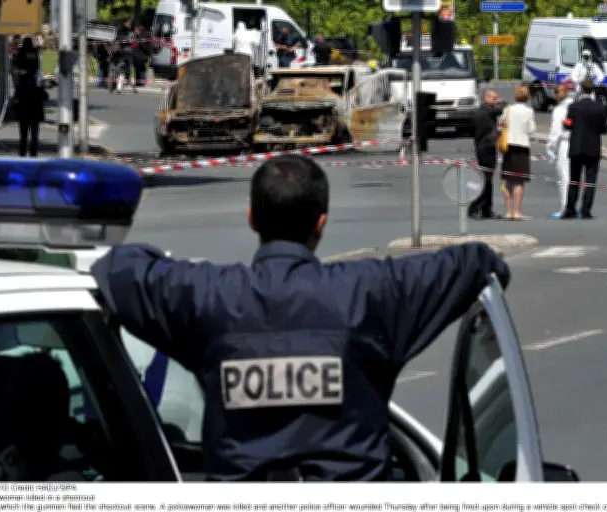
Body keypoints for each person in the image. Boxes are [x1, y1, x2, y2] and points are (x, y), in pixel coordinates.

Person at [91, 154, 510, 482]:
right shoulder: (373, 292)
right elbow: (479, 264)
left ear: (252, 217)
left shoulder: (208, 297)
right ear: (321, 224)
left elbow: (118, 269)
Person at [561, 79, 607, 219]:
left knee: (574, 179)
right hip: (593, 148)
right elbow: (604, 129)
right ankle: (586, 210)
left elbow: (568, 125)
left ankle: (570, 208)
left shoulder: (573, 106)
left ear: (581, 89)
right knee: (590, 180)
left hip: (576, 146)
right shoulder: (599, 108)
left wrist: (566, 123)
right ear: (592, 90)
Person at [498, 85, 535, 221]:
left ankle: (508, 211)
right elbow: (531, 129)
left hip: (509, 146)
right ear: (527, 96)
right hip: (522, 146)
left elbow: (500, 125)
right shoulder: (528, 111)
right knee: (520, 181)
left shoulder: (508, 109)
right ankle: (518, 211)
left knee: (508, 180)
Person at [469, 89, 504, 220]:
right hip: (486, 148)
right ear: (486, 98)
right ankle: (474, 207)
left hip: (483, 147)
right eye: (494, 99)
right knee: (486, 180)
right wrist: (500, 102)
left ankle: (487, 209)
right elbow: (502, 107)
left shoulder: (481, 111)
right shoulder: (486, 111)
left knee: (488, 181)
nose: (496, 101)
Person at [545, 84, 575, 219]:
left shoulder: (558, 110)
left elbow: (555, 132)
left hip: (564, 143)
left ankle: (565, 207)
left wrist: (550, 148)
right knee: (575, 178)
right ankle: (573, 206)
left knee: (563, 178)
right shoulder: (575, 105)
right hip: (577, 143)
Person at [12, 38, 46, 157]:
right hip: (35, 114)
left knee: (23, 137)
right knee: (34, 137)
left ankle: (22, 155)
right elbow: (44, 96)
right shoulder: (37, 83)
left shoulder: (20, 84)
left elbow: (16, 100)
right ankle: (33, 156)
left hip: (24, 114)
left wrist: (16, 108)